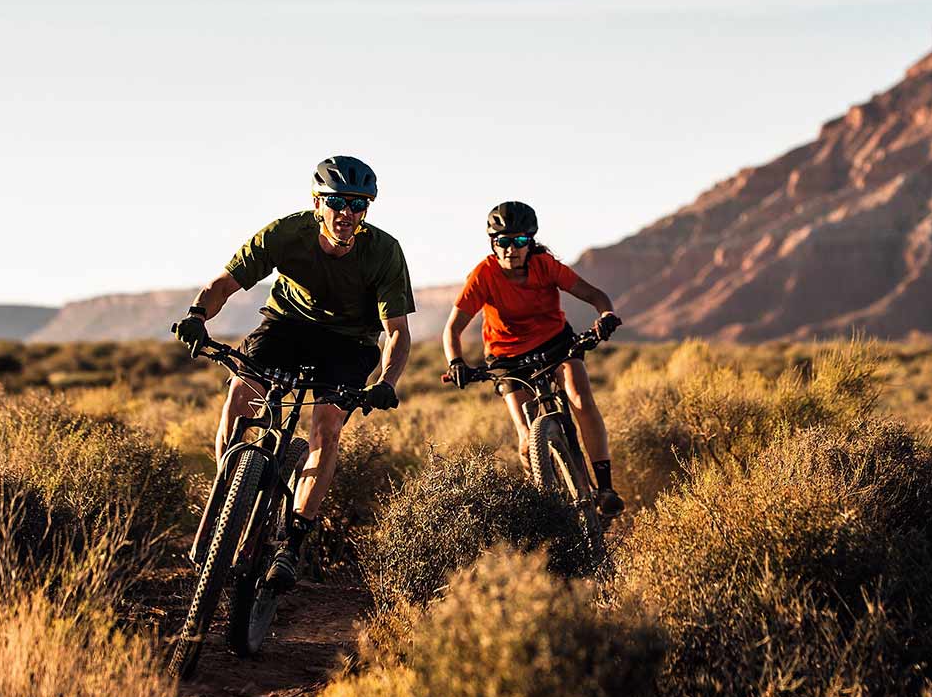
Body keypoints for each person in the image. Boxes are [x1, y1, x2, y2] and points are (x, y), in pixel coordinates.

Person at [172, 155, 414, 589]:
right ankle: (230, 492)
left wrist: (386, 383)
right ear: (317, 201)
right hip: (287, 325)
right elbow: (223, 285)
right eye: (337, 201)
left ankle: (293, 541)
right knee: (240, 394)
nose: (346, 213)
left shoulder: (383, 252)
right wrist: (196, 316)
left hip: (351, 341)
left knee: (327, 426)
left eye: (358, 205)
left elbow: (397, 333)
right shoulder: (286, 233)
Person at [441, 200, 625, 517]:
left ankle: (605, 488)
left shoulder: (545, 265)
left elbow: (595, 296)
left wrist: (605, 315)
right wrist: (456, 362)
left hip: (556, 343)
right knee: (527, 437)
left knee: (581, 398)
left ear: (530, 242)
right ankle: (542, 506)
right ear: (493, 243)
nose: (511, 249)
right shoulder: (483, 275)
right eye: (503, 242)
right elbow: (453, 330)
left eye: (520, 241)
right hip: (507, 357)